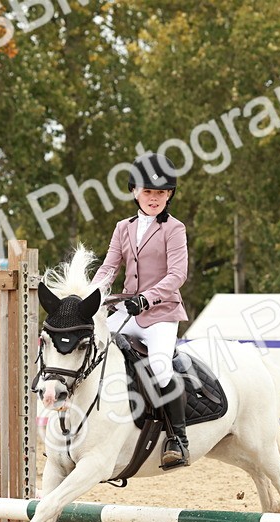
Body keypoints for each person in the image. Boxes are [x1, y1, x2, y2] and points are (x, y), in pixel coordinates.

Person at [90, 152, 190, 469]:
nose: (154, 198)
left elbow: (178, 275)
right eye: (148, 192)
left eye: (160, 193)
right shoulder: (123, 227)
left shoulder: (175, 229)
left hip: (161, 313)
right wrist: (88, 296)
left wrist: (146, 298)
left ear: (169, 195)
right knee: (95, 350)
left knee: (160, 367)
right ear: (135, 191)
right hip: (127, 310)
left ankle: (179, 440)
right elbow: (109, 267)